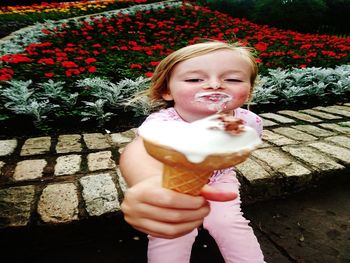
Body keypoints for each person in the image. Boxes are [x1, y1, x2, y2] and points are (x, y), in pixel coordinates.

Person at [120, 41, 265, 262]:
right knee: (173, 232)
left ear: (249, 90)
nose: (215, 85)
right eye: (194, 79)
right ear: (167, 91)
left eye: (233, 79)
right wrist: (149, 180)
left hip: (220, 179)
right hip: (168, 182)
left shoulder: (247, 122)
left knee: (228, 222)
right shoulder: (163, 123)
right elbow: (137, 149)